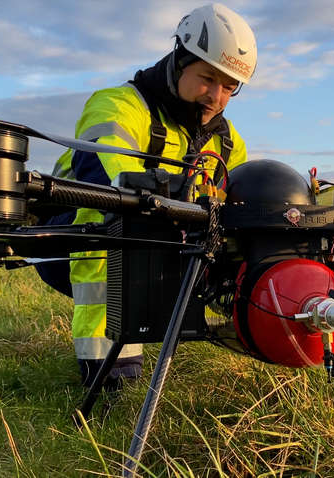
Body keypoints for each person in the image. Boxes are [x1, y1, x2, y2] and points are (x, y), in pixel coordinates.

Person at [46, 3, 256, 388]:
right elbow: (104, 181)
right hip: (63, 236)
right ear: (179, 59)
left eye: (229, 87)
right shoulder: (119, 104)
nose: (216, 96)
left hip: (170, 241)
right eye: (207, 78)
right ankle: (110, 372)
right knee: (116, 222)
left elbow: (239, 205)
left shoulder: (228, 142)